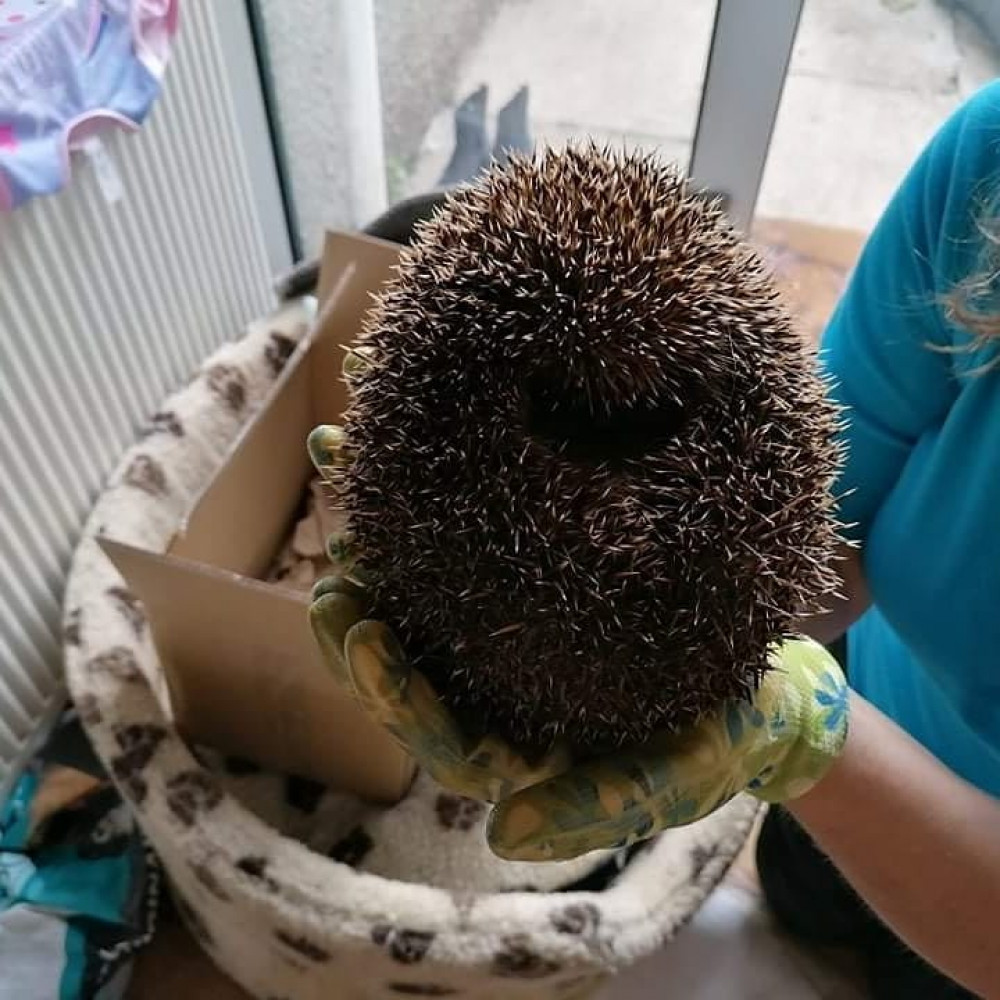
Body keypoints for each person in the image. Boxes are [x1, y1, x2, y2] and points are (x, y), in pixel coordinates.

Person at [309, 79, 1000, 998]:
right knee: (805, 898)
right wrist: (606, 637)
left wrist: (797, 739)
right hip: (864, 707)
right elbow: (831, 510)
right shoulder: (988, 161)